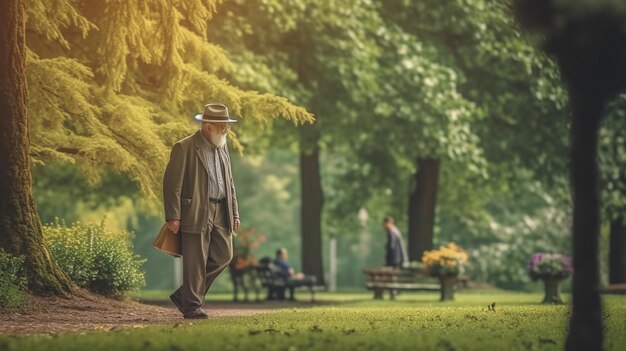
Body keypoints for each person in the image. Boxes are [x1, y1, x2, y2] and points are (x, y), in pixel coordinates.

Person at [163, 102, 240, 319]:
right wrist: (173, 215)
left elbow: (230, 182)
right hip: (195, 210)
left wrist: (234, 212)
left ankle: (184, 296)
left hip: (221, 210)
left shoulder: (223, 146)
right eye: (222, 125)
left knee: (224, 255)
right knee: (195, 260)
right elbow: (172, 184)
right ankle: (192, 307)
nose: (226, 129)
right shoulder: (184, 147)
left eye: (227, 125)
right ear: (207, 126)